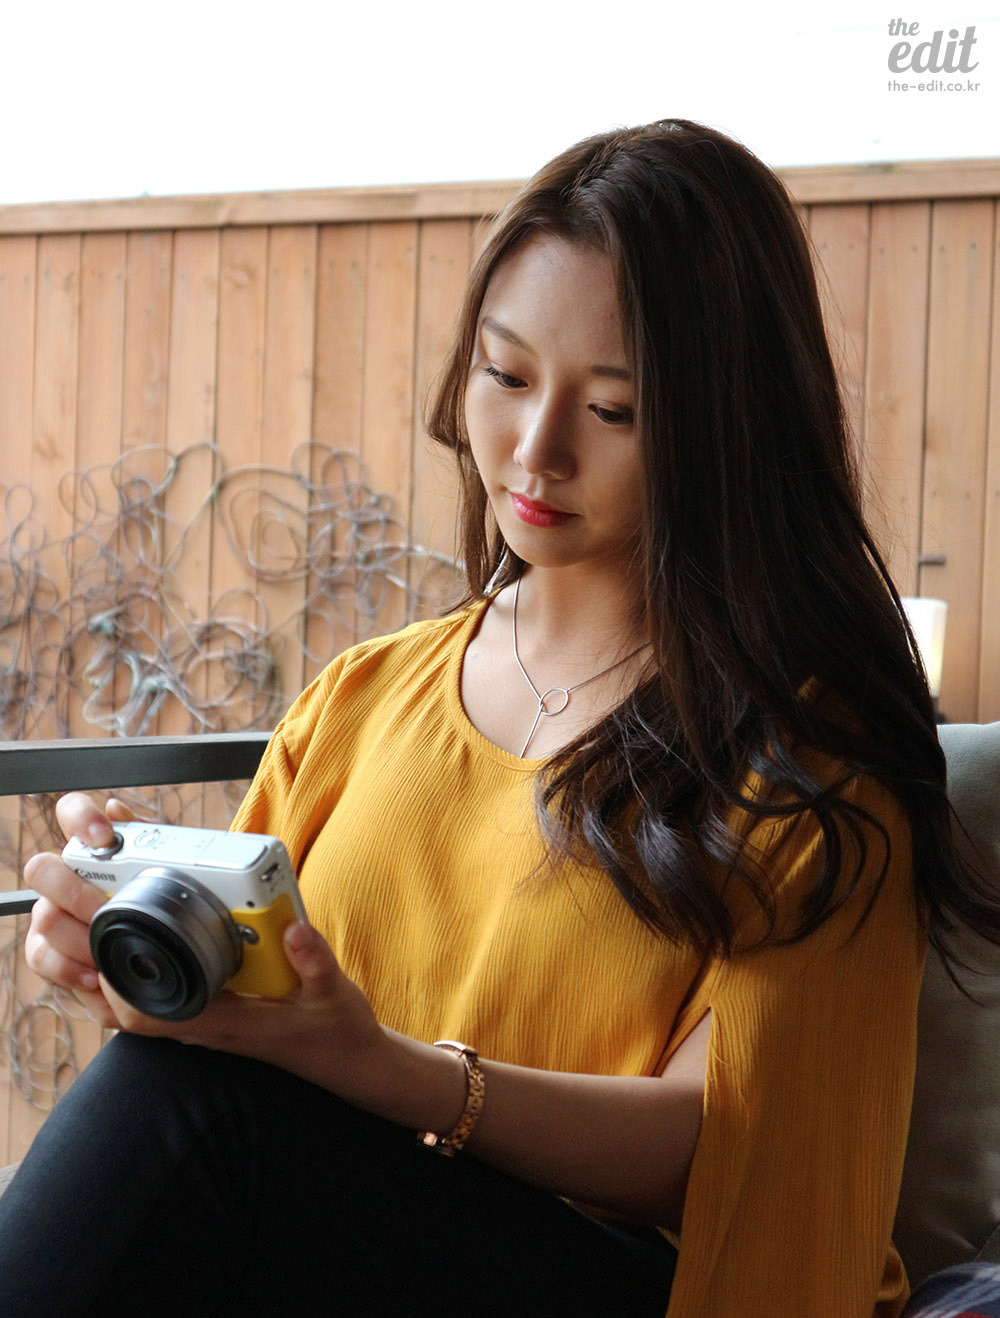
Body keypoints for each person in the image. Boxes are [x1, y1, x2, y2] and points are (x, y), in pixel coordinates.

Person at [0, 119, 992, 1318]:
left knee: (194, 1112)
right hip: (345, 1265)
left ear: (727, 427)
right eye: (506, 376)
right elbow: (254, 1035)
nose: (535, 448)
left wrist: (382, 1069)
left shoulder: (813, 761)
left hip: (644, 1286)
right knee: (175, 1092)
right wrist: (132, 959)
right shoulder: (363, 698)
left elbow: (734, 1155)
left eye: (613, 409)